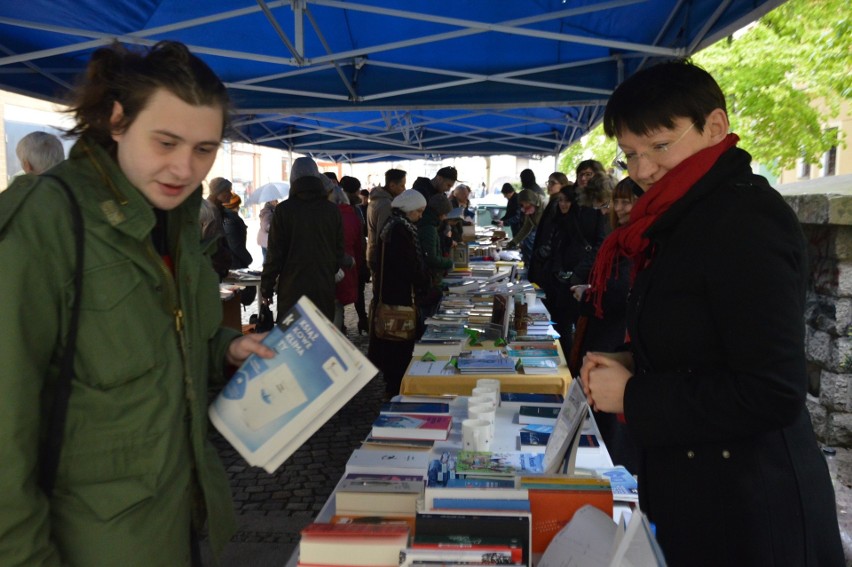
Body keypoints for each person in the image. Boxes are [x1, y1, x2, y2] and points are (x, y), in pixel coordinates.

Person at [0, 41, 275, 566]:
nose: (184, 167)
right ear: (118, 119)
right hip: (85, 542)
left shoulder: (169, 216)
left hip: (169, 526)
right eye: (166, 141)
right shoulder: (46, 222)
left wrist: (223, 348)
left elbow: (146, 339)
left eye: (204, 149)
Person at [581, 59, 843, 566]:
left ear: (715, 127)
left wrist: (636, 393)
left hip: (750, 512)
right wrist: (637, 361)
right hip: (701, 498)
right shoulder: (683, 215)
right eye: (631, 154)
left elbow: (772, 391)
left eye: (660, 146)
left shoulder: (744, 219)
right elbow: (705, 338)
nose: (642, 170)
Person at [570, 177, 644, 473]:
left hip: (616, 339)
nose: (620, 208)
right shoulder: (619, 237)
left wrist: (589, 294)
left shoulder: (637, 242)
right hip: (601, 334)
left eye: (627, 201)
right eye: (617, 201)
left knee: (612, 424)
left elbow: (622, 292)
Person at [261, 156, 347, 322]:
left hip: (292, 290)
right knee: (320, 340)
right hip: (323, 289)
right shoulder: (332, 211)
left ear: (293, 179)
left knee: (291, 343)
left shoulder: (283, 211)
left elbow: (274, 255)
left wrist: (266, 288)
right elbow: (338, 253)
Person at [367, 189, 430, 398]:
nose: (420, 216)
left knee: (394, 345)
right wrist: (423, 281)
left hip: (391, 294)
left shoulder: (393, 226)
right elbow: (408, 267)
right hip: (399, 297)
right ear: (409, 209)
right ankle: (395, 389)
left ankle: (393, 384)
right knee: (399, 345)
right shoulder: (401, 230)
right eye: (419, 211)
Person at [527, 171, 571, 288]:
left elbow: (552, 231)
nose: (549, 185)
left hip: (546, 256)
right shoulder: (552, 202)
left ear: (562, 184)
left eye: (553, 183)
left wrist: (542, 253)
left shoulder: (556, 204)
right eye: (548, 182)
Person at [416, 193, 454, 325]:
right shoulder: (429, 229)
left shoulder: (428, 224)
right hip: (430, 280)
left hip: (428, 279)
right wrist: (450, 262)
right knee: (427, 316)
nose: (446, 217)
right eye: (445, 213)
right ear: (439, 212)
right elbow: (431, 258)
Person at [330, 185, 363, 333]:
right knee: (338, 304)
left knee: (330, 302)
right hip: (348, 265)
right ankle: (336, 335)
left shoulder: (326, 215)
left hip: (329, 265)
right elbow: (359, 245)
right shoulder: (353, 217)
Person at [341, 175, 370, 334]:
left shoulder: (353, 208)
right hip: (352, 255)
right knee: (356, 290)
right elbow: (361, 233)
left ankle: (345, 323)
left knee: (347, 292)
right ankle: (361, 320)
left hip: (351, 255)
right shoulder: (354, 209)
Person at [367, 168, 406, 279]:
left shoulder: (377, 199)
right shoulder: (386, 204)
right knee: (381, 291)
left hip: (373, 251)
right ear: (392, 185)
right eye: (402, 186)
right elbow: (384, 234)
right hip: (379, 255)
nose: (404, 189)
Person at [214, 178, 253, 269]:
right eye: (237, 205)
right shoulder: (231, 220)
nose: (239, 208)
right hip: (235, 263)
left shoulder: (227, 217)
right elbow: (235, 245)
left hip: (233, 262)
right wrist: (248, 259)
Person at [503, 188, 543, 267]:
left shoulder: (544, 206)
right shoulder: (530, 209)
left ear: (530, 201)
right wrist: (514, 242)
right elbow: (526, 227)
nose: (523, 207)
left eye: (524, 204)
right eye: (522, 204)